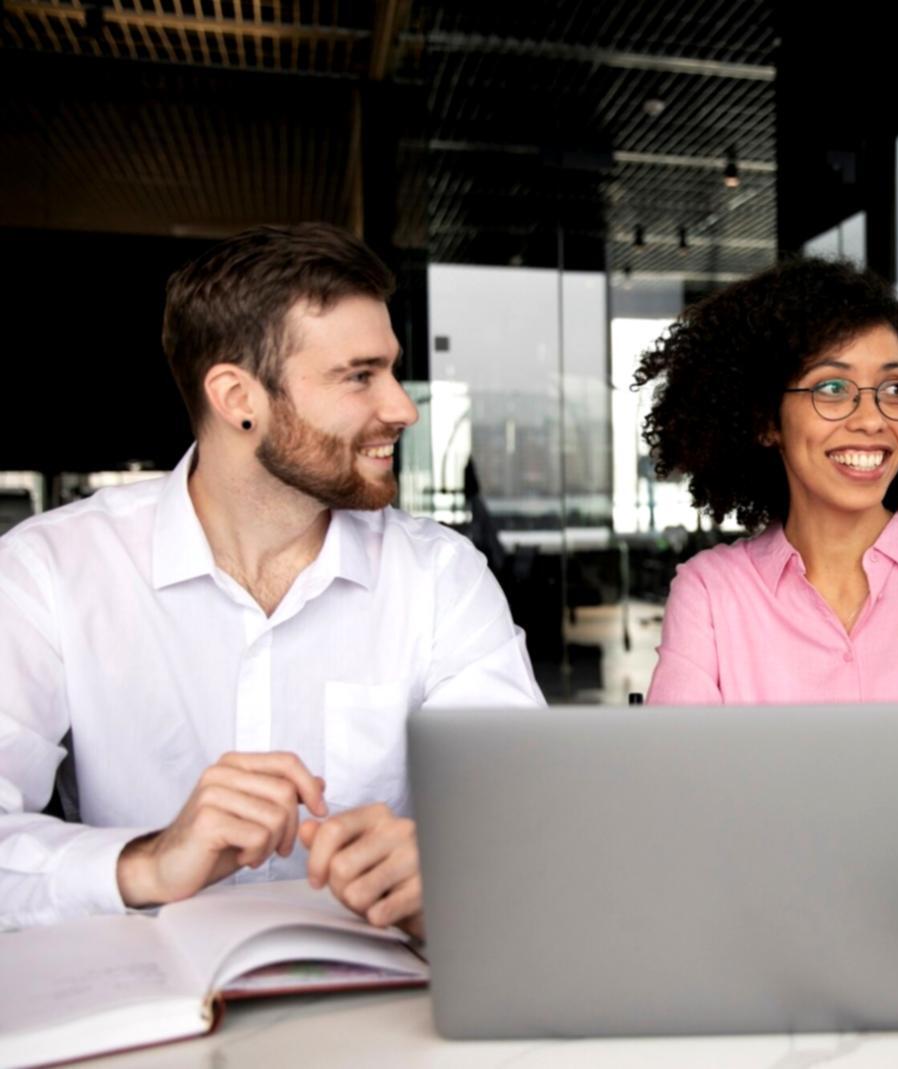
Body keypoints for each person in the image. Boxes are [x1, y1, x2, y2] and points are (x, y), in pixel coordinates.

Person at [0, 223, 543, 934]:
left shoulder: (440, 576)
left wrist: (450, 868)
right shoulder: (51, 571)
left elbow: (527, 814)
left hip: (385, 1020)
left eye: (391, 370)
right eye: (359, 375)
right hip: (146, 1015)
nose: (403, 408)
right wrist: (147, 862)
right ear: (237, 397)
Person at [637, 257, 898, 866]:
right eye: (832, 387)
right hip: (768, 922)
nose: (872, 419)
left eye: (894, 389)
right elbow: (675, 785)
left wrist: (881, 854)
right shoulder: (711, 592)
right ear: (765, 420)